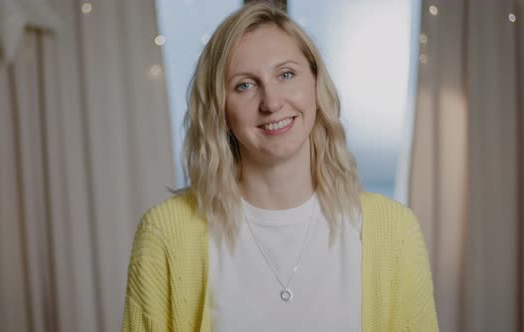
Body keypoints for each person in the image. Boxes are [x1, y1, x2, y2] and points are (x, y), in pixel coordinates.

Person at [121, 2, 438, 331]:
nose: (271, 103)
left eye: (286, 74)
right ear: (221, 110)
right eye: (245, 85)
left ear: (316, 85)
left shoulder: (395, 231)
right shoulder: (165, 232)